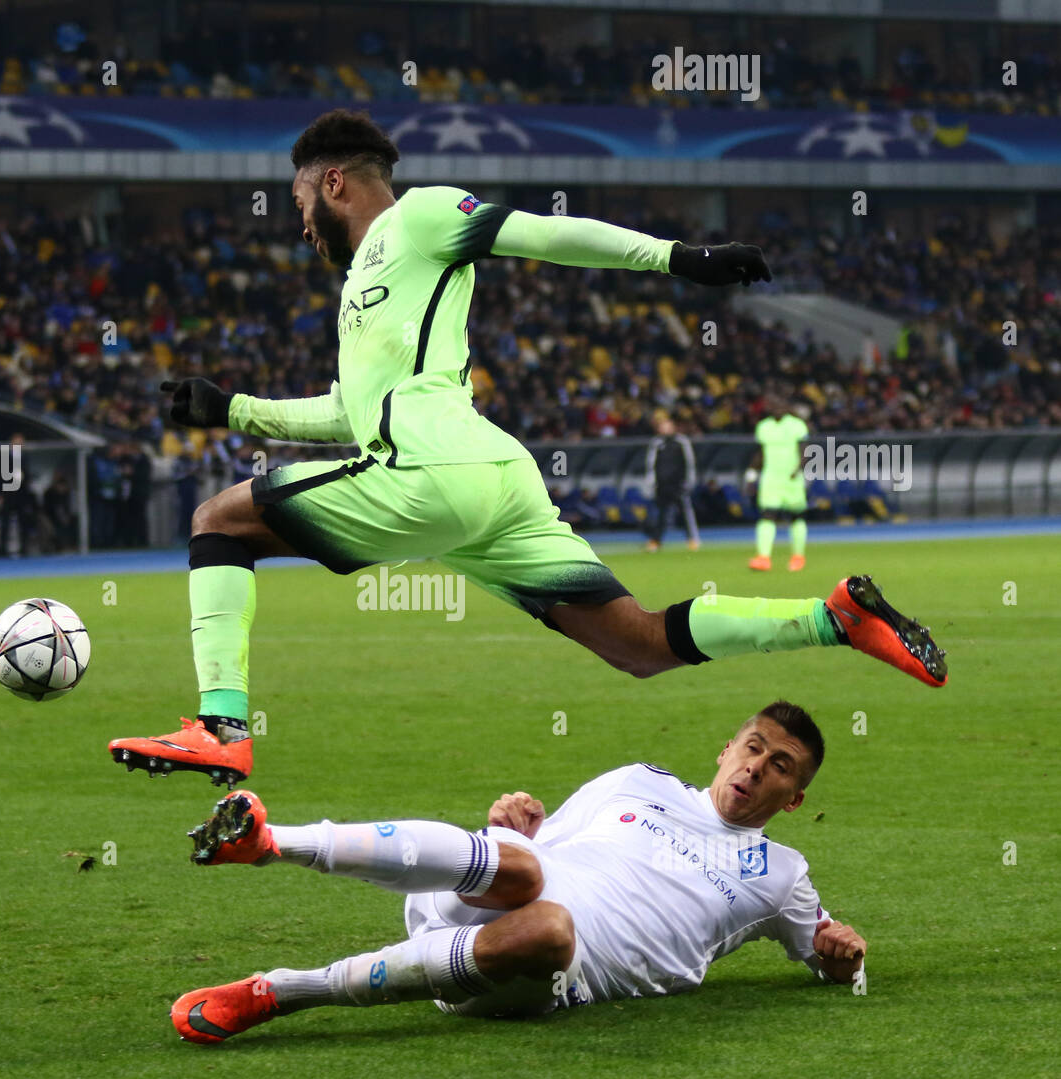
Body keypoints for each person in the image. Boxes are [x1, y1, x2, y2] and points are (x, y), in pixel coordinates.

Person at [107, 110, 945, 788]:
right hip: (491, 481)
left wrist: (677, 259)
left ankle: (221, 729)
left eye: (299, 207)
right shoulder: (370, 290)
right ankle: (833, 618)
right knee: (638, 645)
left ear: (333, 182)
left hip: (436, 469)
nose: (301, 229)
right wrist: (235, 409)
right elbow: (351, 413)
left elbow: (545, 233)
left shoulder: (421, 215)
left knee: (219, 518)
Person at [168, 701, 867, 1044]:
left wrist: (843, 954)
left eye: (779, 766)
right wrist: (516, 824)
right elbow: (544, 842)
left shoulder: (781, 875)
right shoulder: (637, 781)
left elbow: (830, 957)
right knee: (526, 870)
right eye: (753, 747)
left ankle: (285, 992)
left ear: (794, 797)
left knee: (552, 925)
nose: (755, 767)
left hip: (541, 970)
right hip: (475, 899)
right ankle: (268, 841)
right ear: (725, 750)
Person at [749, 388, 810, 572]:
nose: (776, 408)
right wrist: (751, 474)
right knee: (768, 514)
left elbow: (805, 450)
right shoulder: (763, 427)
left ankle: (798, 557)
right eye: (772, 405)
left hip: (792, 478)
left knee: (796, 516)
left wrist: (798, 469)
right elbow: (760, 453)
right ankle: (763, 558)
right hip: (770, 478)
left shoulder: (797, 425)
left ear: (786, 406)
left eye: (779, 404)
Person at [643, 411, 700, 552]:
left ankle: (692, 539)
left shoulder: (682, 442)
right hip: (662, 485)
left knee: (685, 512)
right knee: (661, 514)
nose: (665, 429)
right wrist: (650, 482)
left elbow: (689, 462)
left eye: (668, 426)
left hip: (679, 483)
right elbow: (651, 464)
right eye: (663, 426)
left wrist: (689, 480)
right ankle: (656, 541)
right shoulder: (656, 443)